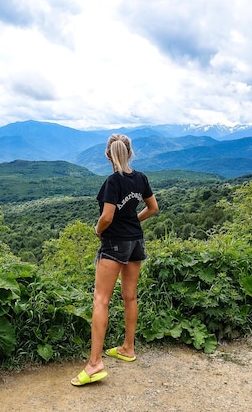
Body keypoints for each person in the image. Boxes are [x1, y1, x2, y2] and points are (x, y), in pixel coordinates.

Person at [71, 133, 159, 386]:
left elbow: (107, 216)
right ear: (130, 153)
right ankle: (128, 348)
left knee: (101, 300)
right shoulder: (141, 178)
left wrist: (98, 230)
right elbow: (153, 208)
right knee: (130, 296)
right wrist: (133, 221)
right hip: (136, 243)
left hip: (114, 244)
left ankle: (95, 364)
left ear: (108, 155)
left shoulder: (112, 182)